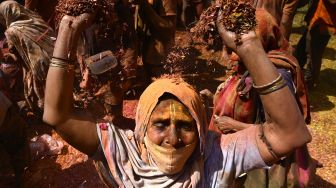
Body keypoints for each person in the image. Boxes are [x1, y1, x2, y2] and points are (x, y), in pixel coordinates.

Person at [43, 10, 311, 187]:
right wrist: (67, 29)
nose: (173, 138)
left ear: (200, 129)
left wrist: (250, 47)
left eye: (185, 125)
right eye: (160, 124)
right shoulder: (124, 151)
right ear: (142, 126)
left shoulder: (215, 156)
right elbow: (58, 115)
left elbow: (291, 134)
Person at [209, 9, 313, 187]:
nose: (232, 52)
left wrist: (233, 125)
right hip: (247, 147)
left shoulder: (277, 75)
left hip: (268, 157)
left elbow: (281, 130)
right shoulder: (248, 66)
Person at [0, 0, 55, 116]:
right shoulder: (35, 19)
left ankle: (46, 115)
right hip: (55, 57)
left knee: (43, 92)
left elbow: (17, 57)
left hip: (38, 66)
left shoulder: (11, 31)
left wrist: (8, 56)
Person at [295, 0, 336, 88]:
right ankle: (295, 71)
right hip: (316, 17)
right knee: (302, 48)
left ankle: (309, 82)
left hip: (324, 22)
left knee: (314, 54)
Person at [135, 0, 177, 78]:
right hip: (148, 51)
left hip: (160, 57)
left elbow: (168, 27)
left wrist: (146, 6)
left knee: (161, 86)